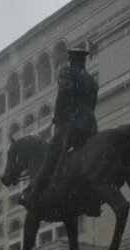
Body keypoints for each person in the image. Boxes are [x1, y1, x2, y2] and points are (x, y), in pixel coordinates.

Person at [22, 47, 99, 206]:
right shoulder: (92, 81)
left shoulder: (67, 72)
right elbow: (92, 105)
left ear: (71, 60)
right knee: (82, 160)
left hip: (73, 125)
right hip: (90, 127)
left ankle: (34, 196)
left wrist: (58, 115)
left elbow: (63, 94)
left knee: (50, 155)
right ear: (83, 61)